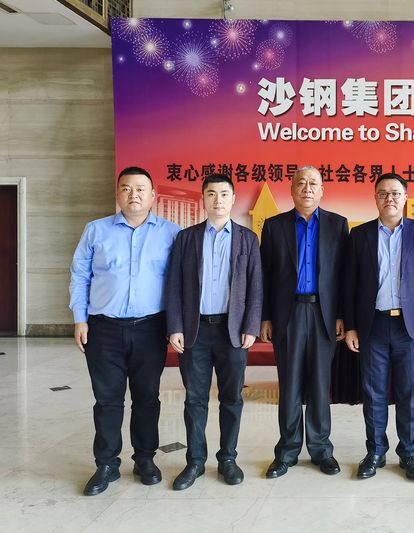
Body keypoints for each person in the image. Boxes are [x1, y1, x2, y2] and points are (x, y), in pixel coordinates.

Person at [69, 166, 180, 496]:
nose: (134, 194)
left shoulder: (172, 233)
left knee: (147, 398)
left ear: (153, 195)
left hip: (150, 328)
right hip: (103, 329)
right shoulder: (96, 230)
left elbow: (179, 283)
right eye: (127, 188)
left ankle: (145, 459)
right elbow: (80, 276)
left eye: (141, 189)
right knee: (107, 400)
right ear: (118, 193)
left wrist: (175, 326)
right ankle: (106, 464)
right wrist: (80, 319)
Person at [165, 173, 263, 490]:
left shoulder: (248, 239)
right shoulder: (186, 238)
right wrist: (175, 326)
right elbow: (174, 285)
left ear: (233, 199)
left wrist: (251, 326)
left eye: (223, 194)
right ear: (203, 199)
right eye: (211, 194)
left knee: (232, 398)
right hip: (195, 331)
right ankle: (195, 461)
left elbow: (256, 287)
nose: (217, 200)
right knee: (195, 400)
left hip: (232, 332)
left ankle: (227, 459)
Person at [343, 173, 414, 480]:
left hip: (410, 327)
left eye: (396, 193)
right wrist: (351, 326)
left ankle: (409, 453)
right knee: (373, 392)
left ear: (405, 197)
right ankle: (375, 451)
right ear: (375, 198)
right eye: (383, 193)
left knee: (409, 392)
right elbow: (349, 284)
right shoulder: (359, 235)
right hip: (373, 325)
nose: (390, 198)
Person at [260, 166, 349, 478]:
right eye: (301, 183)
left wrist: (342, 315)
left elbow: (344, 275)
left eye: (313, 183)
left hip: (324, 314)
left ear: (322, 190)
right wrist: (266, 317)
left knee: (320, 385)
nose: (307, 188)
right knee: (290, 385)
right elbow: (265, 276)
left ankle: (321, 449)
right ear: (292, 189)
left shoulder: (338, 225)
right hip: (288, 314)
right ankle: (287, 451)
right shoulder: (274, 226)